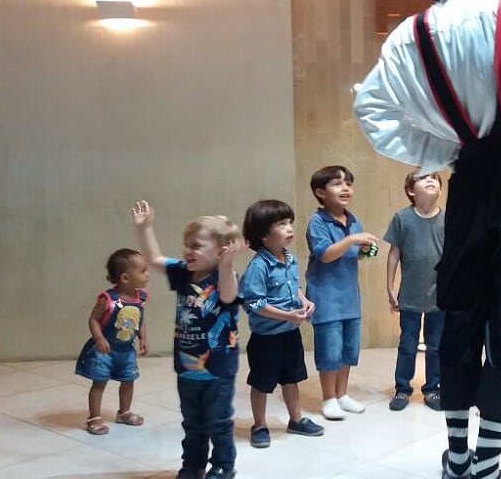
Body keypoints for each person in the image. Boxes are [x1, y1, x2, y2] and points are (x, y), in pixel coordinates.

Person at [354, 0, 501, 475]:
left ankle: (458, 459)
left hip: (467, 172)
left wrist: (445, 151)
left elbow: (370, 110)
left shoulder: (410, 32)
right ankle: (488, 466)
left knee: (461, 304)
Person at [131, 200, 244, 479]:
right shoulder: (183, 272)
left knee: (218, 421)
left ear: (220, 251)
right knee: (193, 423)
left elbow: (228, 296)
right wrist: (145, 228)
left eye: (196, 246)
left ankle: (223, 465)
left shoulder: (226, 276)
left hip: (218, 368)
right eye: (186, 244)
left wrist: (227, 264)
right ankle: (193, 465)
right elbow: (155, 260)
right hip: (187, 367)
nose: (187, 250)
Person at [239, 199, 324, 448]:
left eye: (290, 222)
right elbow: (254, 303)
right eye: (282, 224)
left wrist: (305, 300)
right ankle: (260, 425)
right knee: (261, 383)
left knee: (291, 379)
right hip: (266, 339)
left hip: (290, 334)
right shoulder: (258, 266)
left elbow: (293, 287)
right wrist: (287, 315)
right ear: (263, 234)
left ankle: (296, 420)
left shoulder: (290, 259)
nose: (289, 228)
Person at [305, 165, 379, 421]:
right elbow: (325, 255)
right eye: (337, 183)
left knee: (348, 349)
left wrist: (366, 249)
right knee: (330, 351)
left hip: (350, 298)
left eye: (348, 183)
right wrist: (351, 240)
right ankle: (329, 398)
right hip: (326, 298)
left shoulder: (353, 220)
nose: (345, 188)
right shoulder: (317, 222)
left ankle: (342, 394)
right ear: (320, 192)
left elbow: (357, 254)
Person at [385, 170, 446, 412]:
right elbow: (394, 254)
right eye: (423, 177)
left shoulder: (448, 219)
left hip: (440, 295)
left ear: (440, 188)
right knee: (408, 344)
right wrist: (390, 286)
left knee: (436, 345)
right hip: (410, 294)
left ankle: (432, 388)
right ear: (411, 190)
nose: (430, 180)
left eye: (434, 177)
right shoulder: (402, 218)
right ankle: (402, 388)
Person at [75, 248, 150, 435]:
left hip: (126, 350)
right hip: (105, 350)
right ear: (125, 278)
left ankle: (124, 412)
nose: (147, 274)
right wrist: (99, 338)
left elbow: (139, 319)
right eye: (143, 271)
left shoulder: (141, 298)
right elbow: (93, 319)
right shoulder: (109, 299)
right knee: (99, 382)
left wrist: (143, 338)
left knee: (128, 380)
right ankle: (94, 417)